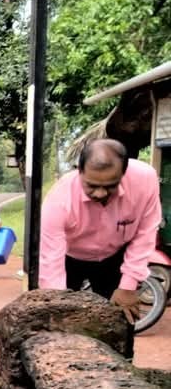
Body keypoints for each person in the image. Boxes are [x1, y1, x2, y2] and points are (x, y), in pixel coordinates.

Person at [39, 138, 162, 326]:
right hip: (69, 258)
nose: (100, 193)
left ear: (124, 173)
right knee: (58, 320)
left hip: (115, 257)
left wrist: (128, 286)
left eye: (110, 185)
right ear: (79, 172)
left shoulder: (144, 180)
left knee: (122, 319)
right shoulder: (59, 200)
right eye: (92, 185)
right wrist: (57, 305)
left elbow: (145, 233)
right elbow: (50, 261)